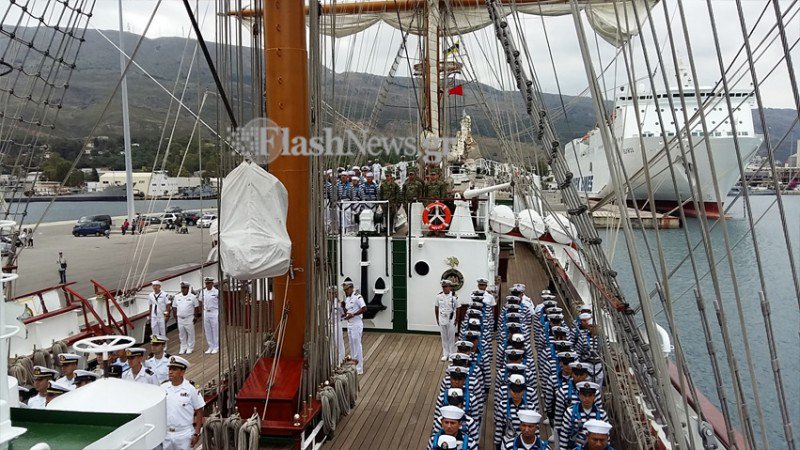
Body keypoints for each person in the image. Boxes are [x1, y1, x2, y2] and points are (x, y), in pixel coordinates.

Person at [162, 356, 204, 450]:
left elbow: (199, 410)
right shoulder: (163, 388)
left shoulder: (191, 389)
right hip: (166, 434)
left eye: (174, 369)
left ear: (182, 372)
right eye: (169, 369)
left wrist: (197, 433)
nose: (170, 372)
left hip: (184, 434)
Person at [559, 382, 607, 450]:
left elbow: (606, 438)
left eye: (590, 395)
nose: (587, 399)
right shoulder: (570, 412)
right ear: (580, 395)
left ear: (594, 396)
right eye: (584, 395)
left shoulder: (602, 414)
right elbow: (564, 435)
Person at [341, 280, 366, 374]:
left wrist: (353, 314)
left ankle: (359, 368)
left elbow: (364, 308)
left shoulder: (357, 297)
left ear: (351, 288)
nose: (345, 291)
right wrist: (343, 308)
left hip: (356, 323)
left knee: (357, 345)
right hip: (350, 324)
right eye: (344, 290)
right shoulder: (347, 298)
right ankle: (353, 366)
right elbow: (348, 310)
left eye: (347, 289)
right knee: (352, 345)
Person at [172, 282, 199, 354]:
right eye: (182, 288)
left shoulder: (192, 297)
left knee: (190, 333)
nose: (183, 289)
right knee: (181, 334)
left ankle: (190, 347)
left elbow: (196, 307)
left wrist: (196, 317)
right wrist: (175, 317)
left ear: (188, 288)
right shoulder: (177, 297)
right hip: (180, 318)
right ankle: (183, 347)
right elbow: (174, 307)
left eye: (184, 288)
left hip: (189, 317)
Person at [435, 279, 458, 361]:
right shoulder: (438, 297)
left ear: (450, 287)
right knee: (444, 337)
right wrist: (437, 319)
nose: (444, 288)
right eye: (443, 287)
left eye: (446, 286)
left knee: (451, 337)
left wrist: (457, 319)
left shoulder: (454, 297)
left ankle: (451, 354)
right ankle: (445, 354)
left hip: (451, 319)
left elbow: (458, 308)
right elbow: (436, 308)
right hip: (442, 318)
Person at [200, 277, 220, 354]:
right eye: (206, 283)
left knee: (215, 330)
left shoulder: (216, 292)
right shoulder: (203, 292)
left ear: (212, 283)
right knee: (207, 330)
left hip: (214, 311)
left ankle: (216, 346)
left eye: (209, 283)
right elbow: (201, 301)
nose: (207, 285)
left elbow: (221, 301)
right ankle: (210, 346)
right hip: (206, 312)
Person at [330, 286, 346, 366]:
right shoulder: (325, 303)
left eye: (333, 293)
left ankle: (341, 362)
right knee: (330, 345)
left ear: (335, 294)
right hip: (328, 325)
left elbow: (344, 314)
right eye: (330, 293)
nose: (331, 294)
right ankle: (331, 363)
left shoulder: (339, 303)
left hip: (337, 325)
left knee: (339, 344)